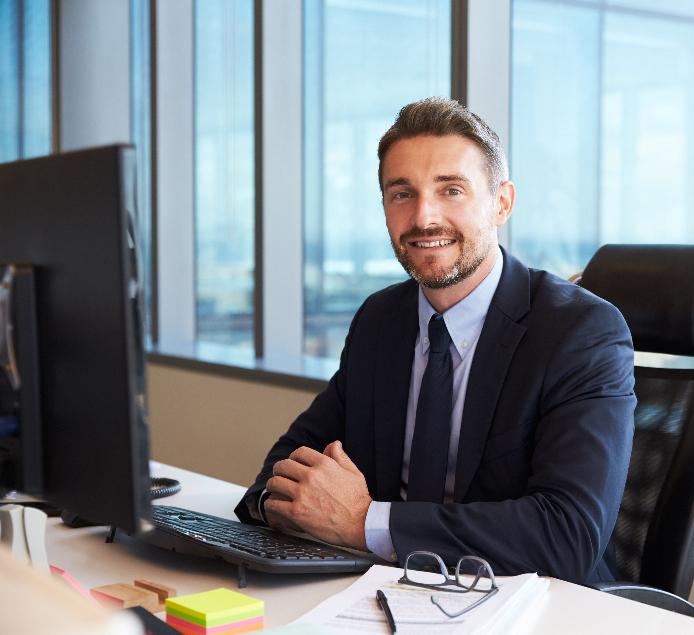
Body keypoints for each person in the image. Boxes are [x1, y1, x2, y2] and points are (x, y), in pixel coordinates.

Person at [235, 97, 635, 585]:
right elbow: (286, 466)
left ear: (502, 202)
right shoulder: (380, 319)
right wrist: (280, 504)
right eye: (402, 193)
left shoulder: (579, 334)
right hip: (383, 594)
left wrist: (364, 522)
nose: (424, 217)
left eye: (451, 190)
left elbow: (566, 535)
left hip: (527, 606)